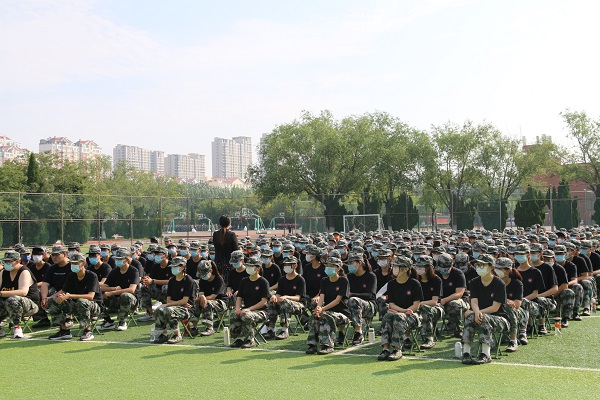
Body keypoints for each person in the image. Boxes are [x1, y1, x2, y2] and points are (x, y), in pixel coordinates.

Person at [461, 254, 509, 365]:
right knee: (470, 316)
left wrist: (478, 313)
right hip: (480, 315)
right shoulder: (474, 282)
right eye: (477, 265)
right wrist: (476, 312)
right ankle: (466, 353)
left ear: (491, 267)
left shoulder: (499, 283)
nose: (478, 267)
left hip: (500, 319)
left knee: (483, 317)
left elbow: (495, 307)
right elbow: (474, 301)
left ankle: (486, 354)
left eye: (482, 265)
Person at [47, 254, 103, 341]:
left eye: (76, 263)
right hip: (77, 305)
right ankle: (64, 331)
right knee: (53, 300)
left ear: (83, 263)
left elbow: (90, 296)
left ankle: (87, 331)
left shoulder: (92, 276)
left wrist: (69, 296)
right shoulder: (72, 275)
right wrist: (49, 298)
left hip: (94, 307)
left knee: (82, 301)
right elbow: (63, 291)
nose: (73, 265)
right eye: (72, 263)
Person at [378, 256, 423, 361]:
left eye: (397, 266)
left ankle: (397, 349)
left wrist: (403, 312)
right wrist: (401, 311)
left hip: (412, 316)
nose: (394, 268)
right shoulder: (391, 284)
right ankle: (385, 349)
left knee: (398, 317)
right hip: (398, 313)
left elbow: (416, 305)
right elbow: (391, 304)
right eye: (394, 266)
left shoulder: (414, 284)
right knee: (387, 316)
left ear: (406, 268)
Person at [305, 254, 350, 355]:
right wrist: (318, 308)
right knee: (315, 316)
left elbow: (337, 300)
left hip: (342, 313)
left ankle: (328, 345)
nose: (328, 268)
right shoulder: (324, 281)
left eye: (331, 266)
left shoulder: (343, 281)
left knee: (325, 316)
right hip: (327, 311)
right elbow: (322, 297)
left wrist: (323, 309)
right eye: (327, 266)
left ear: (338, 268)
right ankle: (312, 344)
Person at [152, 257, 196, 344]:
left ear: (183, 267)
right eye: (172, 266)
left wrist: (173, 304)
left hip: (187, 309)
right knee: (159, 310)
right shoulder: (172, 281)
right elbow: (169, 300)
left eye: (175, 266)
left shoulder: (189, 280)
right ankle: (163, 334)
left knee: (169, 310)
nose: (173, 268)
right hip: (176, 306)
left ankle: (177, 335)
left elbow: (185, 301)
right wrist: (176, 304)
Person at [229, 257, 270, 349]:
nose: (248, 268)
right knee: (233, 315)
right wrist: (237, 308)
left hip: (262, 311)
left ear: (258, 268)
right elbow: (239, 297)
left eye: (251, 266)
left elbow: (264, 302)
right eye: (247, 266)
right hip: (247, 309)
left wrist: (248, 309)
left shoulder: (263, 282)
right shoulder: (244, 281)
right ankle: (239, 338)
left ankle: (250, 340)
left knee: (247, 315)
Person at [265, 255, 306, 340]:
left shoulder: (300, 279)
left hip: (298, 305)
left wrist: (286, 297)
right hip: (283, 303)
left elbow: (298, 297)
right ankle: (270, 329)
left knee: (285, 302)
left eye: (288, 265)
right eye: (285, 265)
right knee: (272, 302)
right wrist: (275, 297)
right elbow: (278, 293)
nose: (286, 267)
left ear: (295, 266)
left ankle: (284, 330)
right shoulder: (282, 280)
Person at [0, 250, 39, 339]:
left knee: (12, 299)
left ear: (17, 261)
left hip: (29, 304)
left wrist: (1, 293)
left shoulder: (24, 271)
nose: (6, 264)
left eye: (9, 262)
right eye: (5, 261)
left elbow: (23, 292)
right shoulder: (3, 272)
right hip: (8, 304)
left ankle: (17, 328)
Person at [99, 248, 140, 331]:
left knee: (126, 295)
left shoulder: (134, 271)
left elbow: (131, 290)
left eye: (120, 259)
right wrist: (113, 288)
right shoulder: (114, 271)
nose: (117, 261)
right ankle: (108, 321)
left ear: (127, 259)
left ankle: (122, 321)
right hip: (116, 299)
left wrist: (112, 292)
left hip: (131, 301)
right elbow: (103, 287)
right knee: (98, 295)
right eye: (116, 259)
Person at [436, 250, 468, 338]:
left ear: (452, 265)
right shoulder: (436, 273)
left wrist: (444, 300)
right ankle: (432, 331)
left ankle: (458, 329)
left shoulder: (458, 274)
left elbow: (459, 293)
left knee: (454, 304)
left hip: (459, 301)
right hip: (440, 301)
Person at [494, 257, 524, 353]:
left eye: (500, 268)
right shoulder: (494, 282)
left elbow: (517, 305)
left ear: (508, 270)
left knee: (509, 307)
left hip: (517, 312)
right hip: (497, 309)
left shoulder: (517, 283)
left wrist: (504, 301)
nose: (496, 270)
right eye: (496, 268)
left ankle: (513, 341)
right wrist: (504, 300)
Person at [346, 252, 377, 345]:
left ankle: (358, 332)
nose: (349, 266)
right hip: (352, 304)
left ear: (359, 263)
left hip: (369, 306)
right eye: (348, 263)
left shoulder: (370, 276)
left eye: (351, 263)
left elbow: (370, 295)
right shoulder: (349, 276)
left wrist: (351, 295)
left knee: (353, 300)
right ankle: (340, 333)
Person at [191, 260, 227, 337]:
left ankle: (210, 328)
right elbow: (201, 294)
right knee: (196, 304)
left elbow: (213, 296)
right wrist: (200, 299)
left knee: (208, 304)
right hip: (206, 300)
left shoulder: (219, 279)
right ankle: (194, 327)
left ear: (210, 271)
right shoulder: (202, 280)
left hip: (221, 302)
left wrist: (203, 298)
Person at [415, 254, 444, 349]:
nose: (419, 269)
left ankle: (429, 338)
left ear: (428, 268)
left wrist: (419, 304)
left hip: (435, 308)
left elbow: (434, 301)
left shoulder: (436, 280)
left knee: (424, 309)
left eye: (421, 267)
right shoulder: (415, 280)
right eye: (417, 267)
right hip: (417, 306)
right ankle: (406, 338)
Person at [139, 247, 173, 321]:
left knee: (166, 287)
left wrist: (153, 281)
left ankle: (168, 310)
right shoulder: (155, 266)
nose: (156, 256)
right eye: (156, 254)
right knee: (144, 287)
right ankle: (150, 314)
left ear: (165, 255)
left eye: (158, 254)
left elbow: (171, 282)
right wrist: (146, 280)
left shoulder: (172, 265)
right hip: (158, 291)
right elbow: (151, 278)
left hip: (172, 294)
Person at [213, 215, 238, 280]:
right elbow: (236, 250)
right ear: (229, 223)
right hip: (229, 265)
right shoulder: (232, 235)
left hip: (218, 264)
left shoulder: (215, 234)